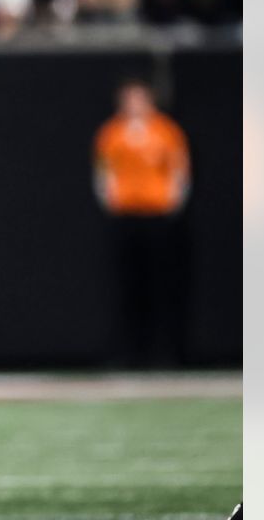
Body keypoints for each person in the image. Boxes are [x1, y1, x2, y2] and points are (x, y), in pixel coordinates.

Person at [94, 78, 191, 367]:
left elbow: (180, 172)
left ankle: (165, 353)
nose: (134, 105)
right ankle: (127, 353)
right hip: (126, 215)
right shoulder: (111, 133)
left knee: (162, 286)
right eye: (128, 99)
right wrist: (112, 202)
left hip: (157, 215)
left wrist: (171, 203)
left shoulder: (166, 131)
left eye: (139, 98)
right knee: (127, 287)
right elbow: (103, 173)